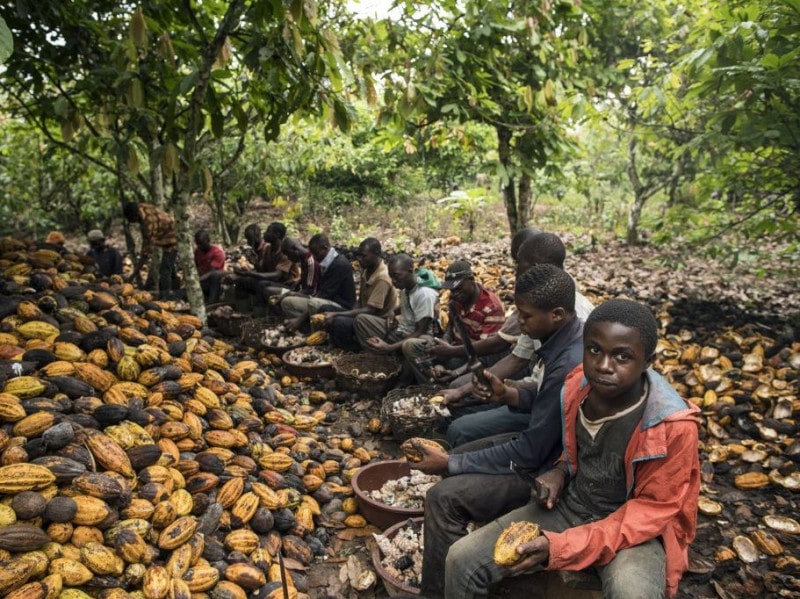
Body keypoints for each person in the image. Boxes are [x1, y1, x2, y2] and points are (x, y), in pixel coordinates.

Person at [441, 299, 701, 599]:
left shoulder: (672, 427)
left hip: (634, 531)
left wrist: (561, 547)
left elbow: (652, 511)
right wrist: (560, 470)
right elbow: (580, 448)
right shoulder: (577, 385)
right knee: (461, 559)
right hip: (574, 506)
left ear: (647, 361)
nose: (603, 365)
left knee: (632, 592)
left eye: (622, 356)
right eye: (594, 350)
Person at [410, 264, 584, 598]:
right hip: (544, 448)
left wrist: (448, 464)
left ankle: (441, 589)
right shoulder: (561, 341)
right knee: (459, 452)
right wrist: (510, 394)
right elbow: (547, 400)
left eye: (526, 316)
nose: (519, 322)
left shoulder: (568, 361)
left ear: (557, 314)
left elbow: (529, 452)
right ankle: (463, 554)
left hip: (552, 468)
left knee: (441, 496)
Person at [444, 231, 595, 446]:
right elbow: (517, 358)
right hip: (533, 391)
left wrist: (508, 393)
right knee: (460, 400)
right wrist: (463, 391)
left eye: (518, 264)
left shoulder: (569, 318)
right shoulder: (537, 302)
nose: (515, 271)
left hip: (545, 407)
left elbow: (552, 400)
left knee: (461, 428)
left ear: (537, 265)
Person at [354, 253, 439, 384]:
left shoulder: (424, 294)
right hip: (402, 331)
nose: (393, 281)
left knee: (408, 345)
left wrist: (389, 347)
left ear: (410, 270)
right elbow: (407, 305)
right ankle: (385, 364)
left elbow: (420, 331)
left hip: (423, 339)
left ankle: (420, 381)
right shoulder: (405, 287)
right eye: (391, 276)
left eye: (397, 276)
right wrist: (393, 312)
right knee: (361, 320)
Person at [421, 260, 506, 383]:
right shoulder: (456, 299)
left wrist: (456, 371)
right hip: (454, 350)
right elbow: (451, 326)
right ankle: (434, 382)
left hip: (474, 358)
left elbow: (486, 354)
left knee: (455, 380)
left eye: (459, 288)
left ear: (471, 280)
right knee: (415, 348)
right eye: (451, 289)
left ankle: (445, 382)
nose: (455, 293)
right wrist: (443, 342)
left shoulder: (492, 307)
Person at [321, 238, 397, 351]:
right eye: (359, 255)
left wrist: (337, 314)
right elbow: (359, 300)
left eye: (364, 256)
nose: (360, 259)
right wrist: (343, 314)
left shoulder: (382, 278)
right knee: (324, 309)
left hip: (374, 320)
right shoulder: (366, 270)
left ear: (377, 254)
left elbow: (370, 310)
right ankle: (334, 341)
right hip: (363, 314)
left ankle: (354, 349)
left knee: (338, 322)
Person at [279, 234, 356, 332]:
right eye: (313, 254)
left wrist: (299, 319)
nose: (314, 257)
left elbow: (322, 296)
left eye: (316, 254)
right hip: (324, 300)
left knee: (314, 302)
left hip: (341, 306)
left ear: (325, 248)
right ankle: (304, 328)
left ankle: (314, 332)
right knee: (287, 302)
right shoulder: (325, 262)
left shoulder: (339, 264)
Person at [232, 222, 298, 312]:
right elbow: (263, 271)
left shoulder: (285, 252)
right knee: (241, 280)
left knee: (261, 284)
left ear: (277, 234)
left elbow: (277, 275)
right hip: (272, 281)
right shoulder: (268, 249)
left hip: (286, 284)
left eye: (268, 231)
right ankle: (242, 311)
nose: (265, 234)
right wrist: (254, 262)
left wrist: (248, 273)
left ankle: (259, 314)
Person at [123, 202, 178, 299]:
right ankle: (176, 293)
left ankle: (165, 298)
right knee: (170, 269)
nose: (134, 222)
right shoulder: (141, 207)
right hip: (165, 233)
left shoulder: (148, 223)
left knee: (165, 270)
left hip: (173, 237)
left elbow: (146, 252)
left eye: (133, 220)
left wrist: (133, 275)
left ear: (135, 215)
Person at [193, 229, 226, 304]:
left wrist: (199, 280)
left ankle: (212, 302)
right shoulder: (197, 252)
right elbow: (196, 266)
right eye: (198, 244)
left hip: (215, 284)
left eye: (201, 243)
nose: (199, 246)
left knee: (215, 275)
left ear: (208, 240)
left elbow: (212, 272)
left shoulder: (217, 252)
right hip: (202, 283)